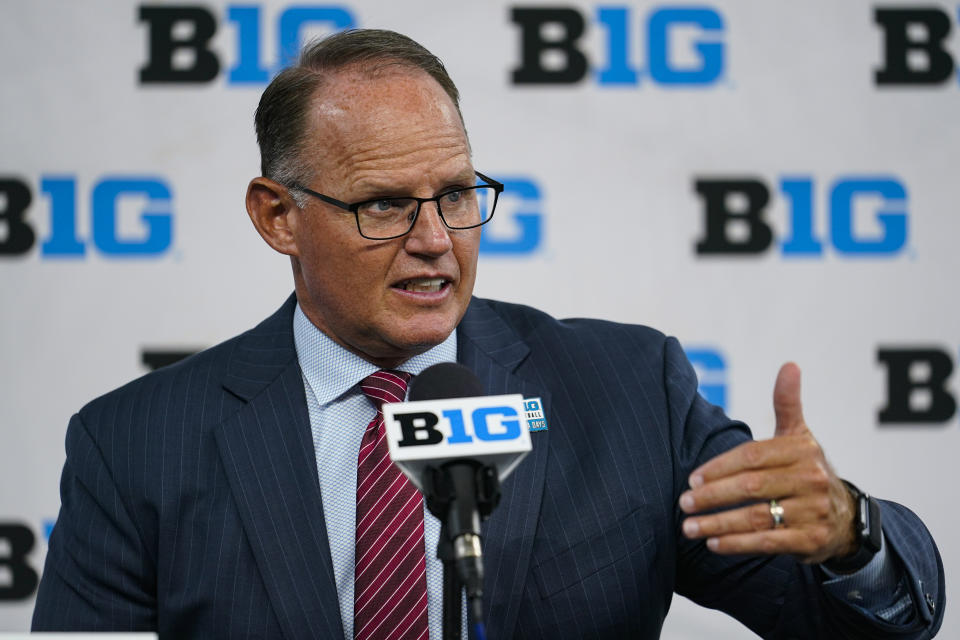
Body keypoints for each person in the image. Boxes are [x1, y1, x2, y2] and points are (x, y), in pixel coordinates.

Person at [32, 29, 944, 639]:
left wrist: (848, 535)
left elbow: (875, 621)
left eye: (458, 195)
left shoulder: (628, 390)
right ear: (278, 217)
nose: (436, 240)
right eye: (385, 203)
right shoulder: (136, 443)